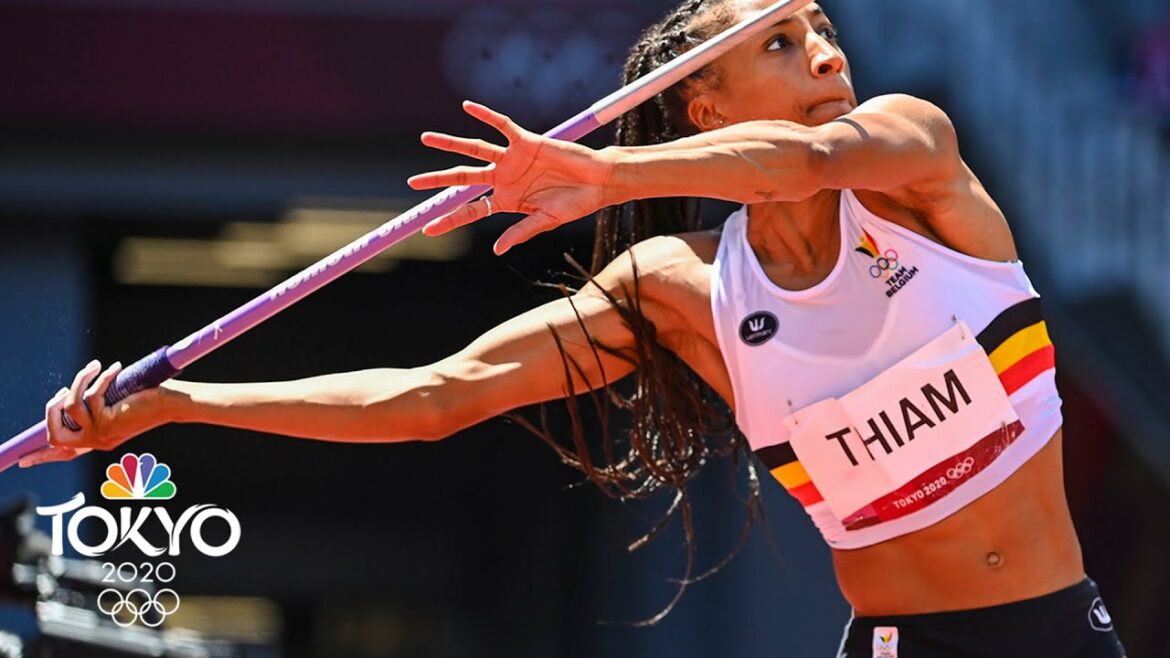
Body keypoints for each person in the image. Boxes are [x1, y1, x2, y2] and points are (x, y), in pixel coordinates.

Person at [23, 2, 1127, 656]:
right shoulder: (678, 290)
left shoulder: (913, 164)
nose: (828, 54)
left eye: (823, 29)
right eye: (781, 44)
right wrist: (174, 404)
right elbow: (430, 398)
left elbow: (804, 164)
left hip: (1056, 632)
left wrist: (603, 173)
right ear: (706, 105)